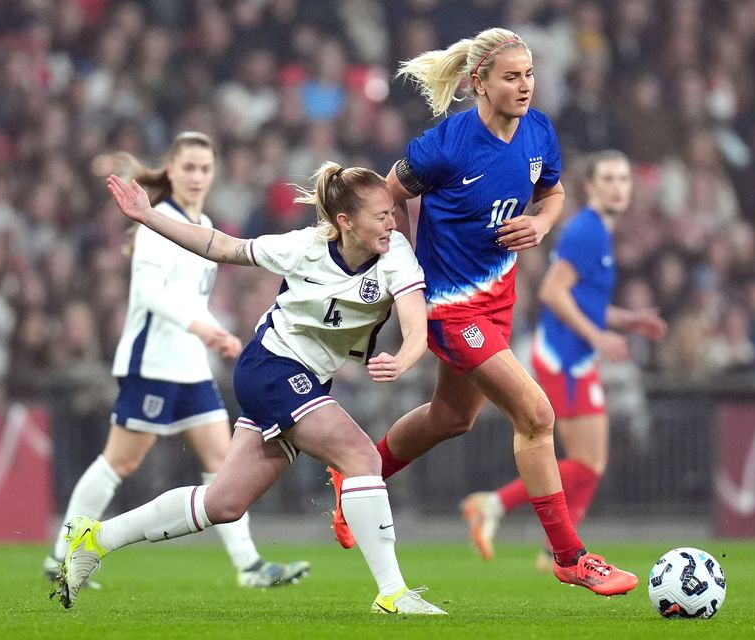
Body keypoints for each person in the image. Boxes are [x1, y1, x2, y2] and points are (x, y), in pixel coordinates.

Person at [54, 162, 446, 616]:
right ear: (345, 222)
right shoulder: (305, 247)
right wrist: (147, 216)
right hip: (271, 366)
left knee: (223, 503)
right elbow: (222, 246)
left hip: (307, 379)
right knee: (363, 457)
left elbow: (417, 323)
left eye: (392, 213)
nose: (392, 222)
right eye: (380, 215)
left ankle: (96, 538)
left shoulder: (394, 250)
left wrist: (403, 359)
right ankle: (393, 594)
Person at [329, 28, 638, 596]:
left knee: (452, 418)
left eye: (529, 75)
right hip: (448, 307)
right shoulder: (445, 146)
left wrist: (541, 225)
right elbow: (385, 198)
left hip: (498, 304)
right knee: (537, 416)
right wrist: (380, 267)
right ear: (479, 83)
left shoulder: (539, 132)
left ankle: (356, 476)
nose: (525, 86)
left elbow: (554, 193)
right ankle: (571, 558)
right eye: (512, 77)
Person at [43, 132, 309, 590]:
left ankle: (248, 566)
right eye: (188, 167)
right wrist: (203, 328)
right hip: (153, 362)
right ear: (171, 171)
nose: (197, 176)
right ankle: (61, 553)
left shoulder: (200, 222)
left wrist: (216, 333)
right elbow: (149, 293)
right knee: (119, 462)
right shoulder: (158, 221)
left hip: (190, 366)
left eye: (205, 168)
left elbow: (189, 297)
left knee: (222, 463)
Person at [461, 150, 667, 565]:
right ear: (589, 187)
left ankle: (550, 547)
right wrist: (599, 336)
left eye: (623, 179)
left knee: (589, 464)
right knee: (587, 464)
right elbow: (552, 292)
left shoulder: (597, 232)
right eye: (607, 178)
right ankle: (497, 508)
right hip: (563, 359)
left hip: (574, 357)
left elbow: (581, 300)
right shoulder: (587, 231)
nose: (617, 187)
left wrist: (628, 320)